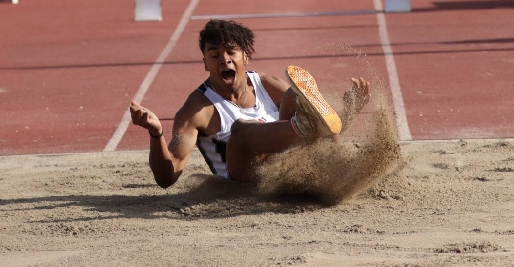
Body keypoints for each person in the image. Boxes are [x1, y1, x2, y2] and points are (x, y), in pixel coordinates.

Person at [128, 19, 371, 187]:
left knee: (296, 97)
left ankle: (339, 164)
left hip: (287, 166)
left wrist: (347, 112)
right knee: (241, 129)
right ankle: (303, 125)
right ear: (205, 63)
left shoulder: (268, 85)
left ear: (245, 56)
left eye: (231, 52)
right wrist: (156, 133)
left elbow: (321, 128)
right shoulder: (197, 109)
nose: (224, 60)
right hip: (244, 181)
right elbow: (166, 178)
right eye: (214, 56)